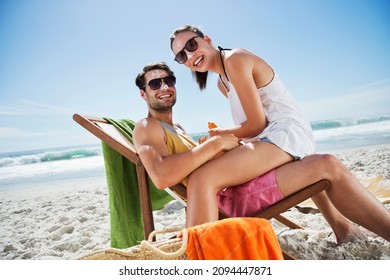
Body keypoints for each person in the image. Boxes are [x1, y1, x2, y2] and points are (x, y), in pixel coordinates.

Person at [133, 62, 390, 244]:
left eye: (169, 80)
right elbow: (161, 176)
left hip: (234, 185)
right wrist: (213, 146)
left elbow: (188, 164)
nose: (164, 86)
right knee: (327, 165)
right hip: (230, 198)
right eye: (155, 83)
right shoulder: (146, 126)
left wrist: (213, 150)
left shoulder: (175, 128)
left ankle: (343, 228)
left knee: (311, 159)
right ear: (144, 94)